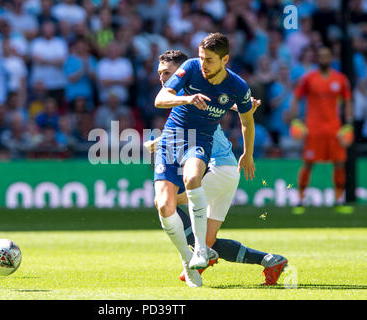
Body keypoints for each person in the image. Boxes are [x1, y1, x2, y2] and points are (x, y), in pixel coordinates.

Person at [148, 49, 287, 287]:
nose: (164, 79)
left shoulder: (191, 92)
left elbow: (196, 129)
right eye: (161, 74)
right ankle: (269, 260)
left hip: (218, 169)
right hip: (226, 173)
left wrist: (243, 106)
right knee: (205, 236)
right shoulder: (190, 98)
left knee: (167, 202)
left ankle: (196, 255)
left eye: (168, 73)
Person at [153, 33, 256, 286]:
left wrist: (248, 153)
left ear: (225, 60)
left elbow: (247, 120)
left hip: (200, 139)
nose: (203, 64)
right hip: (172, 138)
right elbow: (159, 100)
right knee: (164, 205)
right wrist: (187, 98)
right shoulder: (189, 68)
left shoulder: (238, 86)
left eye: (208, 60)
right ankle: (188, 260)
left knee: (192, 178)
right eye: (201, 58)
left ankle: (200, 249)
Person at [286, 46, 354, 214]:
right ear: (317, 59)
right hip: (313, 129)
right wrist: (295, 120)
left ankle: (339, 199)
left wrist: (349, 124)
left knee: (339, 163)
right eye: (321, 56)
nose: (324, 59)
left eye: (326, 56)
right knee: (308, 164)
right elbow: (295, 98)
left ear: (331, 58)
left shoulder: (340, 79)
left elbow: (348, 102)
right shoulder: (309, 79)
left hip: (334, 129)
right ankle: (300, 200)